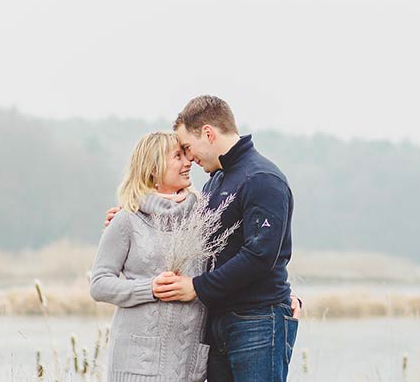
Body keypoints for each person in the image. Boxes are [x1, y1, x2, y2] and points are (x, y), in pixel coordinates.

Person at [152, 95, 299, 382]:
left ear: (208, 133)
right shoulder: (217, 181)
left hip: (258, 321)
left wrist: (197, 287)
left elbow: (260, 255)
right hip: (220, 321)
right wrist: (131, 215)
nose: (189, 157)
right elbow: (188, 230)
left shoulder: (262, 178)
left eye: (187, 147)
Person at [89, 131, 208, 382]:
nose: (188, 163)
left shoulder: (204, 218)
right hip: (136, 365)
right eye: (178, 156)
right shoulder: (126, 219)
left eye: (187, 155)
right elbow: (99, 285)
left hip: (189, 365)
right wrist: (150, 289)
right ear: (153, 168)